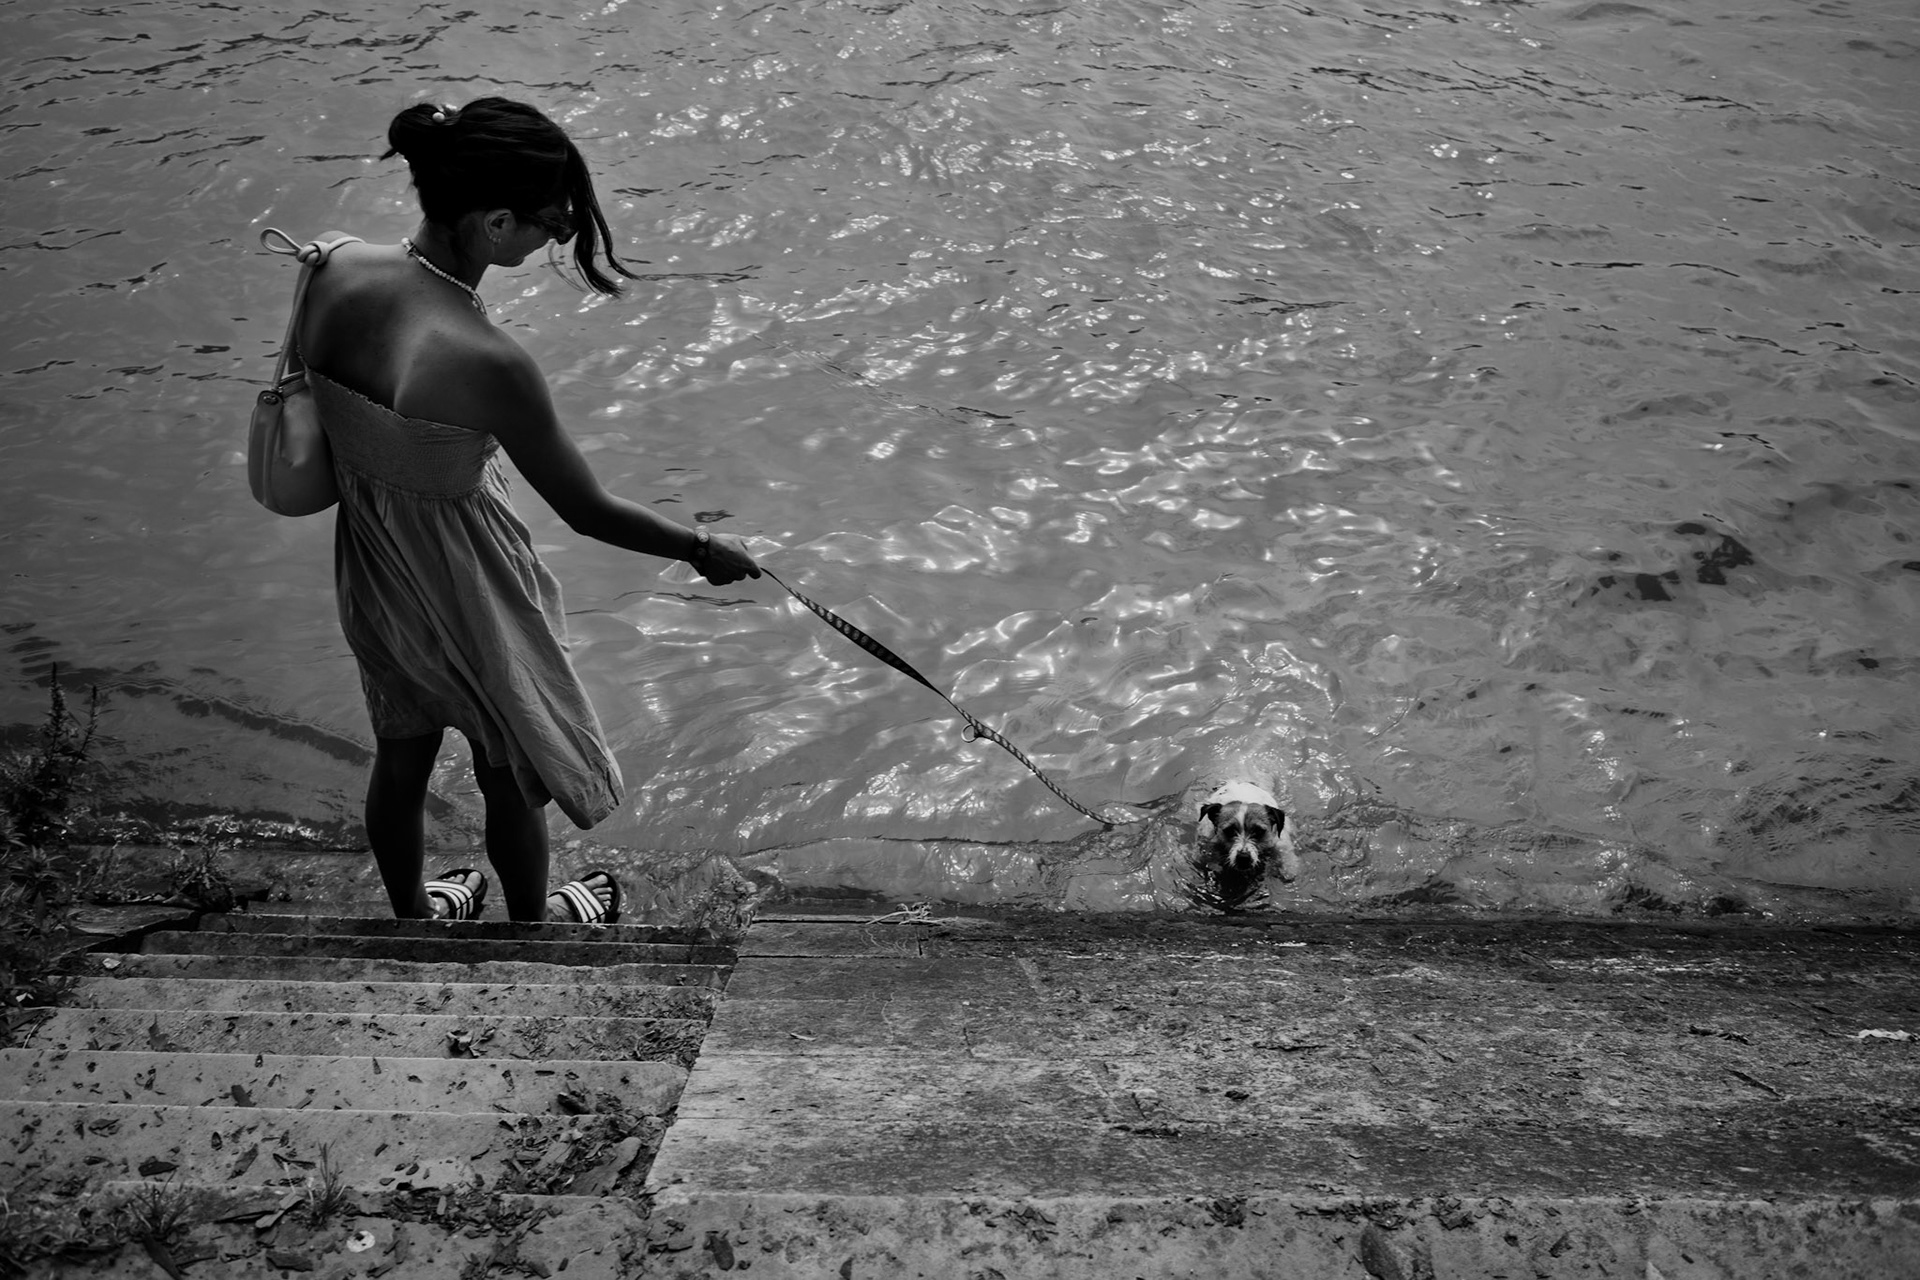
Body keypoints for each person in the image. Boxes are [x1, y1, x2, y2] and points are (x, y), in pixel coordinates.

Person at [293, 96, 760, 925]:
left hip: (373, 561)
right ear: (497, 223)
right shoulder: (484, 359)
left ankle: (412, 921)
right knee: (511, 766)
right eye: (551, 221)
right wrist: (697, 547)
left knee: (400, 755)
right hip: (468, 577)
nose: (559, 235)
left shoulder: (331, 267)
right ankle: (533, 930)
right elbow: (585, 509)